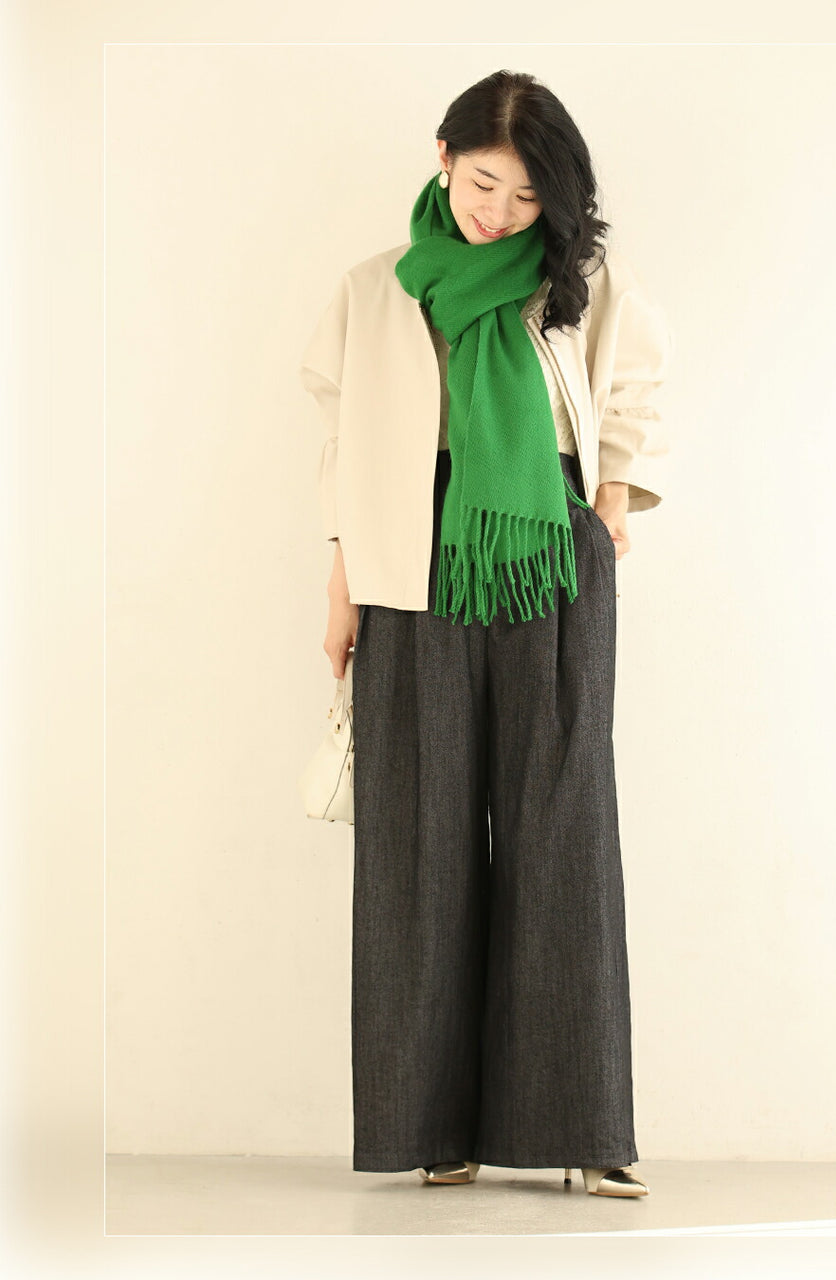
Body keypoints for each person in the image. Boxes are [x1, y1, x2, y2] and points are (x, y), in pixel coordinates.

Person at [298, 69, 673, 1199]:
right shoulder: (376, 289)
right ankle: (432, 1123)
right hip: (408, 557)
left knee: (565, 825)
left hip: (548, 548)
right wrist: (343, 581)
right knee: (419, 832)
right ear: (443, 158)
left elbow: (634, 389)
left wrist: (611, 502)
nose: (501, 212)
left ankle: (585, 1122)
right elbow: (344, 442)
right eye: (482, 185)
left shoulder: (579, 284)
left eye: (525, 193)